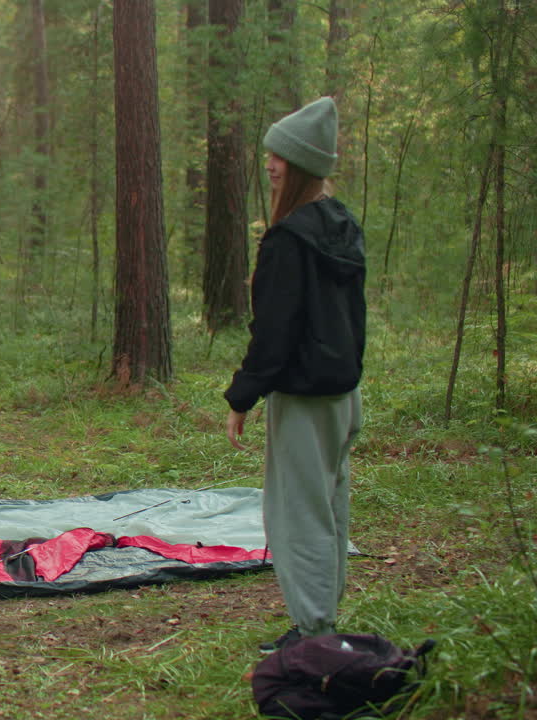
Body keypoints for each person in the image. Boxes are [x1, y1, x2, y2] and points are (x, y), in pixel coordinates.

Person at [223, 96, 366, 653]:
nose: (270, 164)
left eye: (280, 156)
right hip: (343, 397)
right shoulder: (341, 224)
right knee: (328, 510)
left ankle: (314, 638)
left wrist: (242, 396)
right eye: (269, 154)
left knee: (300, 517)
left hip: (307, 400)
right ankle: (320, 622)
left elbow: (275, 333)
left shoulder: (289, 239)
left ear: (302, 164)